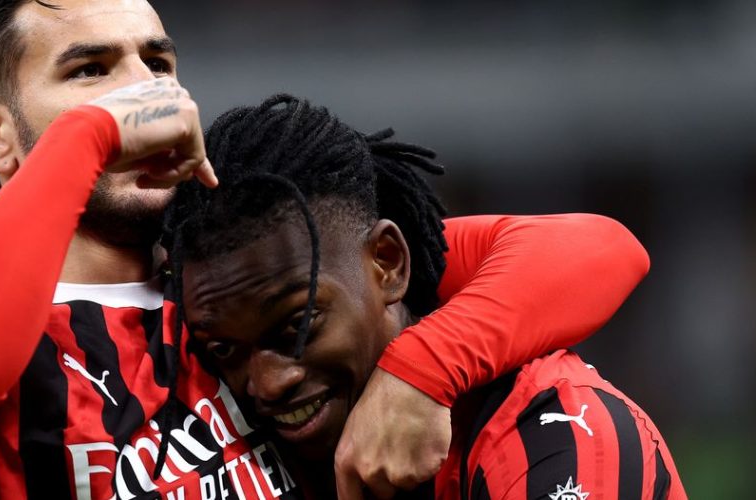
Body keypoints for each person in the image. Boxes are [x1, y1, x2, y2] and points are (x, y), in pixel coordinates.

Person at [0, 1, 652, 498]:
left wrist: (421, 372)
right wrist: (90, 139)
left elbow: (587, 252)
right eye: (89, 70)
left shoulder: (222, 282)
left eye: (157, 62)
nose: (142, 90)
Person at [166, 94, 686, 499]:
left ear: (389, 264)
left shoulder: (551, 435)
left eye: (297, 327)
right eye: (226, 352)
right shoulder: (183, 359)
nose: (268, 383)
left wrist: (419, 373)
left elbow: (601, 247)